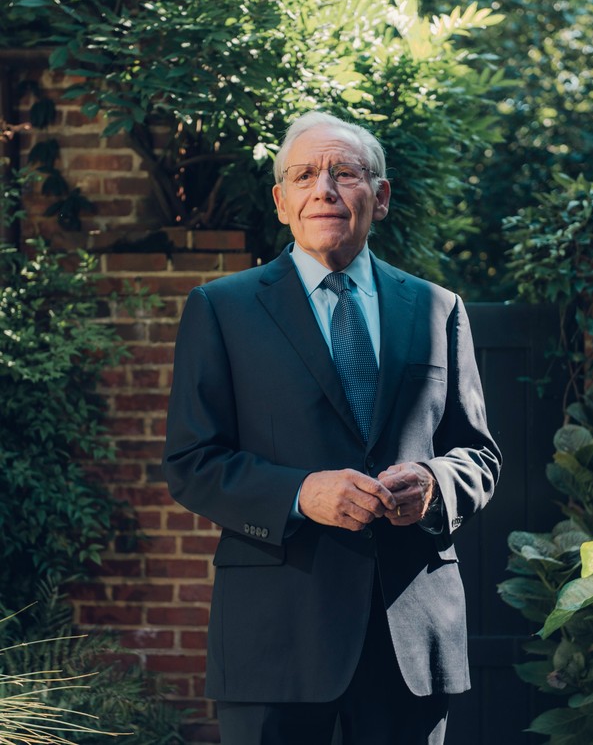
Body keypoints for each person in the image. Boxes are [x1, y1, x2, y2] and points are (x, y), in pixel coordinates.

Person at [162, 111, 501, 745]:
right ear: (281, 202)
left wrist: (434, 485)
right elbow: (191, 461)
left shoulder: (438, 308)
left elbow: (478, 456)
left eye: (344, 173)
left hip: (411, 635)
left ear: (381, 195)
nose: (324, 189)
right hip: (276, 635)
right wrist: (299, 493)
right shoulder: (221, 309)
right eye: (304, 176)